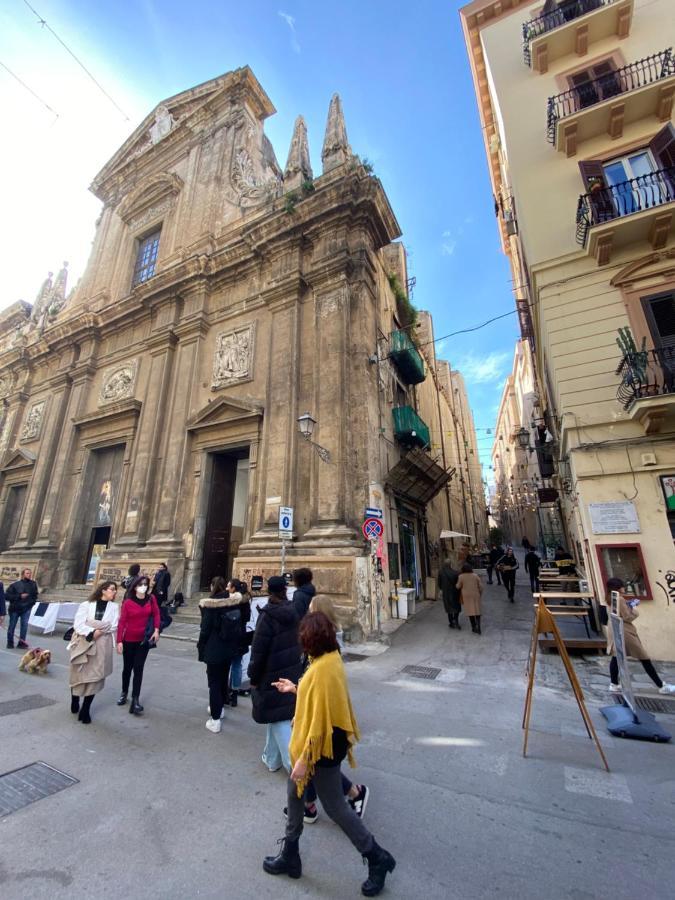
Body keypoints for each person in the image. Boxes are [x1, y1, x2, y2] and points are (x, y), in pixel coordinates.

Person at [263, 612, 395, 896]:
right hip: (327, 742)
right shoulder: (329, 660)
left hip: (321, 747)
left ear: (311, 640)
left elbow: (318, 724)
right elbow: (318, 702)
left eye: (304, 639)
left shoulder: (322, 670)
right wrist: (296, 688)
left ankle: (377, 857)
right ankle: (291, 853)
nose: (302, 643)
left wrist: (302, 761)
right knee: (295, 794)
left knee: (334, 806)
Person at [301, 594, 369, 820]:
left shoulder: (326, 641)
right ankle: (308, 804)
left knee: (316, 765)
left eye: (311, 607)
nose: (307, 609)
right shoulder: (326, 635)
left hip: (326, 718)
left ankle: (347, 797)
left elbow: (322, 682)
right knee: (319, 766)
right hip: (324, 714)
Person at [248, 575, 302, 774]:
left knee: (279, 718)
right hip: (291, 670)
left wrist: (253, 677)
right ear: (285, 589)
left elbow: (258, 651)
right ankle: (271, 758)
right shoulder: (293, 611)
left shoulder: (268, 615)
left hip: (271, 674)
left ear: (269, 590)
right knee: (277, 714)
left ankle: (295, 768)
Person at [605, 578, 675, 695]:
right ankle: (661, 686)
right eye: (623, 586)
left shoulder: (610, 597)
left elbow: (619, 613)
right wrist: (634, 609)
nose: (624, 588)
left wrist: (628, 606)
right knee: (644, 657)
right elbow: (627, 617)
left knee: (616, 656)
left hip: (615, 629)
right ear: (618, 587)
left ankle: (614, 684)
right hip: (625, 631)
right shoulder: (620, 598)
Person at [198, 576, 249, 733]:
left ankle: (215, 719)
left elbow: (204, 630)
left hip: (214, 650)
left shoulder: (211, 605)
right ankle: (220, 709)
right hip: (229, 649)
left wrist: (201, 647)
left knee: (213, 683)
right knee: (222, 680)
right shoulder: (233, 603)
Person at [68, 581, 120, 724]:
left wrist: (94, 626)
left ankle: (86, 708)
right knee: (78, 672)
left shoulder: (115, 607)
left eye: (115, 590)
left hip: (103, 644)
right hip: (83, 642)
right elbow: (78, 624)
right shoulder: (86, 605)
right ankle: (75, 698)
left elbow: (113, 625)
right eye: (112, 589)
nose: (114, 592)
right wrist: (92, 632)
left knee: (95, 677)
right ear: (103, 590)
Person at [116, 575, 160, 715]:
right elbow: (122, 622)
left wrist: (157, 630)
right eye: (141, 584)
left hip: (144, 640)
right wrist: (119, 641)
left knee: (138, 669)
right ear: (135, 586)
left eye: (146, 584)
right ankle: (124, 692)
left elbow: (157, 614)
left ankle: (135, 700)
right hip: (129, 639)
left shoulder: (151, 599)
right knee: (127, 668)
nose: (144, 587)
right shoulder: (128, 602)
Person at [227, 578, 252, 706]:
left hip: (231, 636)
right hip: (241, 635)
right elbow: (247, 618)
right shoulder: (246, 601)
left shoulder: (231, 601)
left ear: (233, 589)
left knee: (226, 665)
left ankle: (226, 692)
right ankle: (234, 693)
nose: (226, 588)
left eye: (228, 586)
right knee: (237, 665)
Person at [6, 568, 39, 649]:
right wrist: (19, 596)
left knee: (24, 626)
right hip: (15, 609)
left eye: (30, 573)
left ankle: (22, 643)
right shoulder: (15, 585)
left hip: (26, 608)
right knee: (12, 625)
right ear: (23, 574)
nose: (29, 575)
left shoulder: (33, 584)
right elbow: (7, 596)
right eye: (27, 573)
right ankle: (10, 642)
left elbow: (35, 595)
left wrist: (32, 603)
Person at [457, 562, 484, 634]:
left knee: (470, 611)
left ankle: (474, 627)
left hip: (466, 596)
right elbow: (481, 587)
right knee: (477, 610)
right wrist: (480, 593)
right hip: (475, 594)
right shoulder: (475, 575)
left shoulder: (461, 576)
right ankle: (478, 626)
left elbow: (458, 586)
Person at [438, 558, 461, 629]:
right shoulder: (456, 573)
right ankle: (456, 622)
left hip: (446, 593)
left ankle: (451, 622)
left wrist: (441, 589)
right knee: (456, 607)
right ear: (451, 564)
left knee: (449, 608)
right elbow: (458, 584)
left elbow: (439, 583)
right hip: (455, 593)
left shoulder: (441, 572)